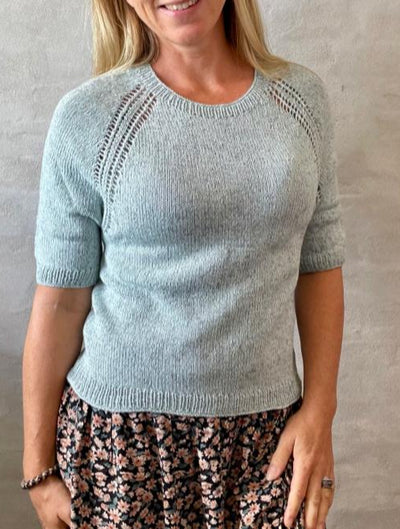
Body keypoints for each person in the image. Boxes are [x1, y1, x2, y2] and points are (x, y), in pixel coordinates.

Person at [21, 0, 345, 528]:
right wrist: (38, 469)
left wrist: (320, 412)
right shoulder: (89, 118)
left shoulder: (301, 102)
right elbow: (59, 302)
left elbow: (321, 265)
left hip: (268, 443)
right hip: (122, 446)